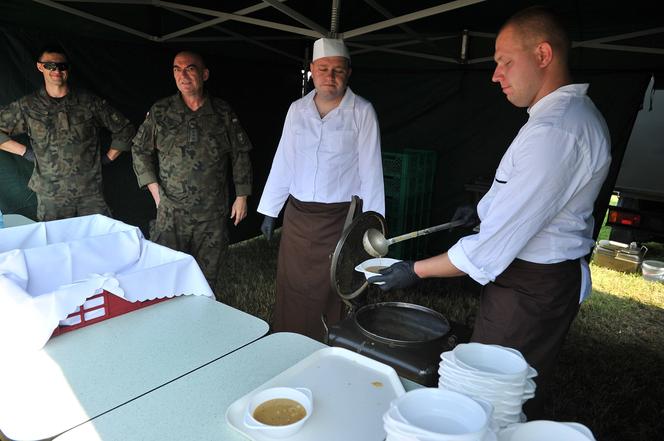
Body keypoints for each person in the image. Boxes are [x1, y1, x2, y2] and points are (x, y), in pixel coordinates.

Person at [370, 6, 611, 418]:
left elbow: (485, 252)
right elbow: (533, 205)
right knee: (505, 388)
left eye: (504, 62)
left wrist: (414, 270)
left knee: (491, 399)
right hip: (532, 282)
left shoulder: (556, 132)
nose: (495, 75)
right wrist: (486, 210)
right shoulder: (559, 118)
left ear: (542, 55)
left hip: (529, 291)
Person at [257, 38, 385, 341]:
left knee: (332, 283)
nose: (330, 76)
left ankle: (329, 339)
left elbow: (371, 171)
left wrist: (372, 228)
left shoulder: (362, 111)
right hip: (299, 216)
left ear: (349, 73)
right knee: (292, 282)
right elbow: (284, 161)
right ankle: (289, 336)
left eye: (338, 70)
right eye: (324, 69)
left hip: (338, 217)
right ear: (312, 70)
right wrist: (269, 211)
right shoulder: (297, 110)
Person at [132, 51, 253, 293]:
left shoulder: (221, 112)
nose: (183, 75)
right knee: (165, 275)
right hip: (171, 214)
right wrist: (156, 192)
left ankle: (202, 322)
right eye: (177, 69)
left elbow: (240, 153)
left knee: (206, 279)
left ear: (204, 74)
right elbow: (139, 149)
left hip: (212, 213)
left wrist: (242, 195)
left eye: (190, 69)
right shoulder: (161, 110)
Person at [0, 44, 134, 221]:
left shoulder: (89, 102)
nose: (56, 70)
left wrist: (108, 158)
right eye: (50, 65)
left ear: (68, 69)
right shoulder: (28, 106)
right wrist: (26, 152)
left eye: (61, 66)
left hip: (90, 194)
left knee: (98, 242)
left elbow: (125, 129)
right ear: (40, 67)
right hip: (51, 196)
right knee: (56, 243)